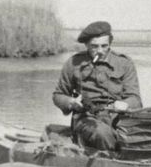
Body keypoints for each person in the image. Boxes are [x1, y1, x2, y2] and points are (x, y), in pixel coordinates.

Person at [53, 21, 142, 151]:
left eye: (104, 46)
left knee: (146, 134)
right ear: (86, 45)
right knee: (102, 134)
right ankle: (114, 162)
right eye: (94, 46)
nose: (100, 51)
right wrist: (70, 102)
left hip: (118, 118)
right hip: (86, 119)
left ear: (110, 43)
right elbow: (58, 95)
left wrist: (126, 104)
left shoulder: (124, 63)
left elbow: (135, 99)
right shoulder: (74, 63)